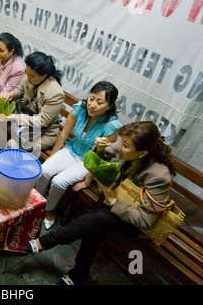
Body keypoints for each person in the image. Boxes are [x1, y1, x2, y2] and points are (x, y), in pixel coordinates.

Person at [24, 121, 176, 285]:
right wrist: (99, 149)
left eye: (125, 145)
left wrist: (112, 201)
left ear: (142, 153)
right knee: (95, 226)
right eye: (121, 141)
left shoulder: (159, 176)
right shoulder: (124, 146)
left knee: (98, 221)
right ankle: (77, 275)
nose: (119, 146)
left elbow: (146, 221)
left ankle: (47, 242)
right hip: (110, 201)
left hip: (131, 219)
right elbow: (98, 157)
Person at [35, 81, 121, 229]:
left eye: (99, 102)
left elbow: (100, 158)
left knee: (59, 181)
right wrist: (52, 156)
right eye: (92, 98)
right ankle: (36, 203)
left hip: (88, 161)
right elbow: (64, 133)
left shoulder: (111, 126)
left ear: (109, 106)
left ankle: (50, 210)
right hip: (72, 149)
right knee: (44, 170)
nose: (92, 105)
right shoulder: (80, 109)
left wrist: (87, 181)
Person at [0, 51, 64, 154]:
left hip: (43, 132)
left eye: (31, 76)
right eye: (27, 73)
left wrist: (16, 118)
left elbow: (42, 121)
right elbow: (20, 90)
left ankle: (3, 164)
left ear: (44, 75)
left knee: (12, 144)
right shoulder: (30, 76)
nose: (28, 78)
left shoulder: (55, 93)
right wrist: (11, 94)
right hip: (25, 123)